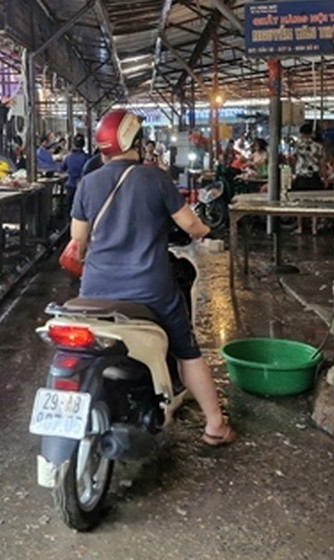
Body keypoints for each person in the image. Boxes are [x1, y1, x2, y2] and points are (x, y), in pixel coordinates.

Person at [72, 110, 236, 447]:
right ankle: (215, 425)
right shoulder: (155, 178)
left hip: (94, 292)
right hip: (149, 290)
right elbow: (190, 226)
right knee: (186, 351)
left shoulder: (89, 183)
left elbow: (78, 239)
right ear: (136, 142)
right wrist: (206, 230)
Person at [292, 123, 326, 235]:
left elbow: (292, 160)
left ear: (301, 133)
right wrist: (324, 177)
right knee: (315, 202)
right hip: (314, 177)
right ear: (312, 133)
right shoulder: (319, 146)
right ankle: (314, 228)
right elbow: (322, 164)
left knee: (299, 202)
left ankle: (300, 227)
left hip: (301, 177)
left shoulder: (297, 146)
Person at [61, 133, 89, 207]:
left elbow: (62, 168)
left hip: (70, 185)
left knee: (69, 207)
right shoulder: (87, 158)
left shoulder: (68, 157)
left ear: (74, 144)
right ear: (83, 144)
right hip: (82, 185)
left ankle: (67, 218)